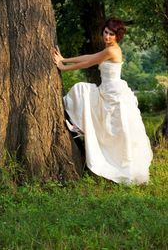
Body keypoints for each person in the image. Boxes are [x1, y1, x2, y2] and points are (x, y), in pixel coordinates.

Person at [53, 18, 153, 184]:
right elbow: (90, 56)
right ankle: (80, 125)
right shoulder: (108, 49)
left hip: (112, 93)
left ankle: (81, 127)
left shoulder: (112, 51)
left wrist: (63, 67)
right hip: (106, 90)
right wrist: (65, 59)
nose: (107, 36)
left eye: (111, 34)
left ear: (117, 36)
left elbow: (88, 63)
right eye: (106, 32)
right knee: (83, 92)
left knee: (82, 91)